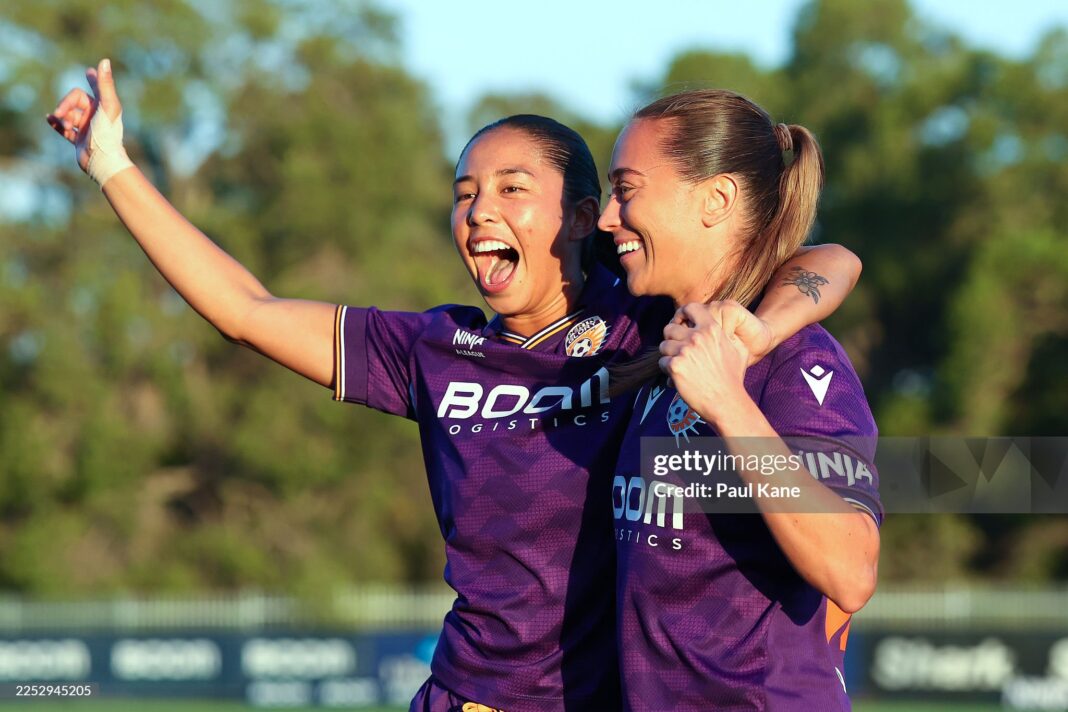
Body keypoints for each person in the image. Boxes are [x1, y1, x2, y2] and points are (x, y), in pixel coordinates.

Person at [47, 61, 861, 711]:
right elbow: (245, 309)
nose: (477, 211)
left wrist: (755, 335)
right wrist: (114, 165)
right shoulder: (438, 349)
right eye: (464, 194)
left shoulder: (648, 323)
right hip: (468, 694)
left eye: (512, 189)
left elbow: (825, 262)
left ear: (581, 219)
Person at [599, 89, 881, 711]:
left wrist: (729, 402)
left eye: (627, 188)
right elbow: (831, 261)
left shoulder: (800, 362)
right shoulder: (654, 328)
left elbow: (851, 570)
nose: (607, 217)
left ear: (716, 199)